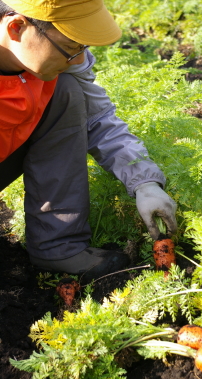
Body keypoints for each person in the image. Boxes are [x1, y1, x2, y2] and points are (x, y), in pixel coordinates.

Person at [0, 0, 177, 281]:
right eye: (71, 48)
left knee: (67, 93)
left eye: (83, 48)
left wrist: (144, 182)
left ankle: (58, 247)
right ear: (16, 27)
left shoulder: (58, 64)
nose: (80, 60)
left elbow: (98, 118)